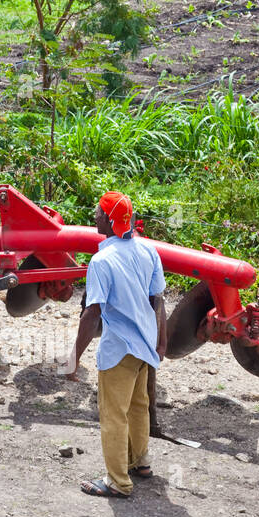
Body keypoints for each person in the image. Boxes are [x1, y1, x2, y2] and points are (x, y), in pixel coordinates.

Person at [65, 191, 167, 498]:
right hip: (145, 346)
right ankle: (141, 462)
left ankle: (118, 482)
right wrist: (161, 341)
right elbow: (158, 300)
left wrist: (73, 356)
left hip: (119, 349)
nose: (93, 216)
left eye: (98, 212)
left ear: (110, 221)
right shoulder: (149, 252)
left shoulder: (101, 261)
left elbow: (92, 312)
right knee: (139, 407)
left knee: (113, 415)